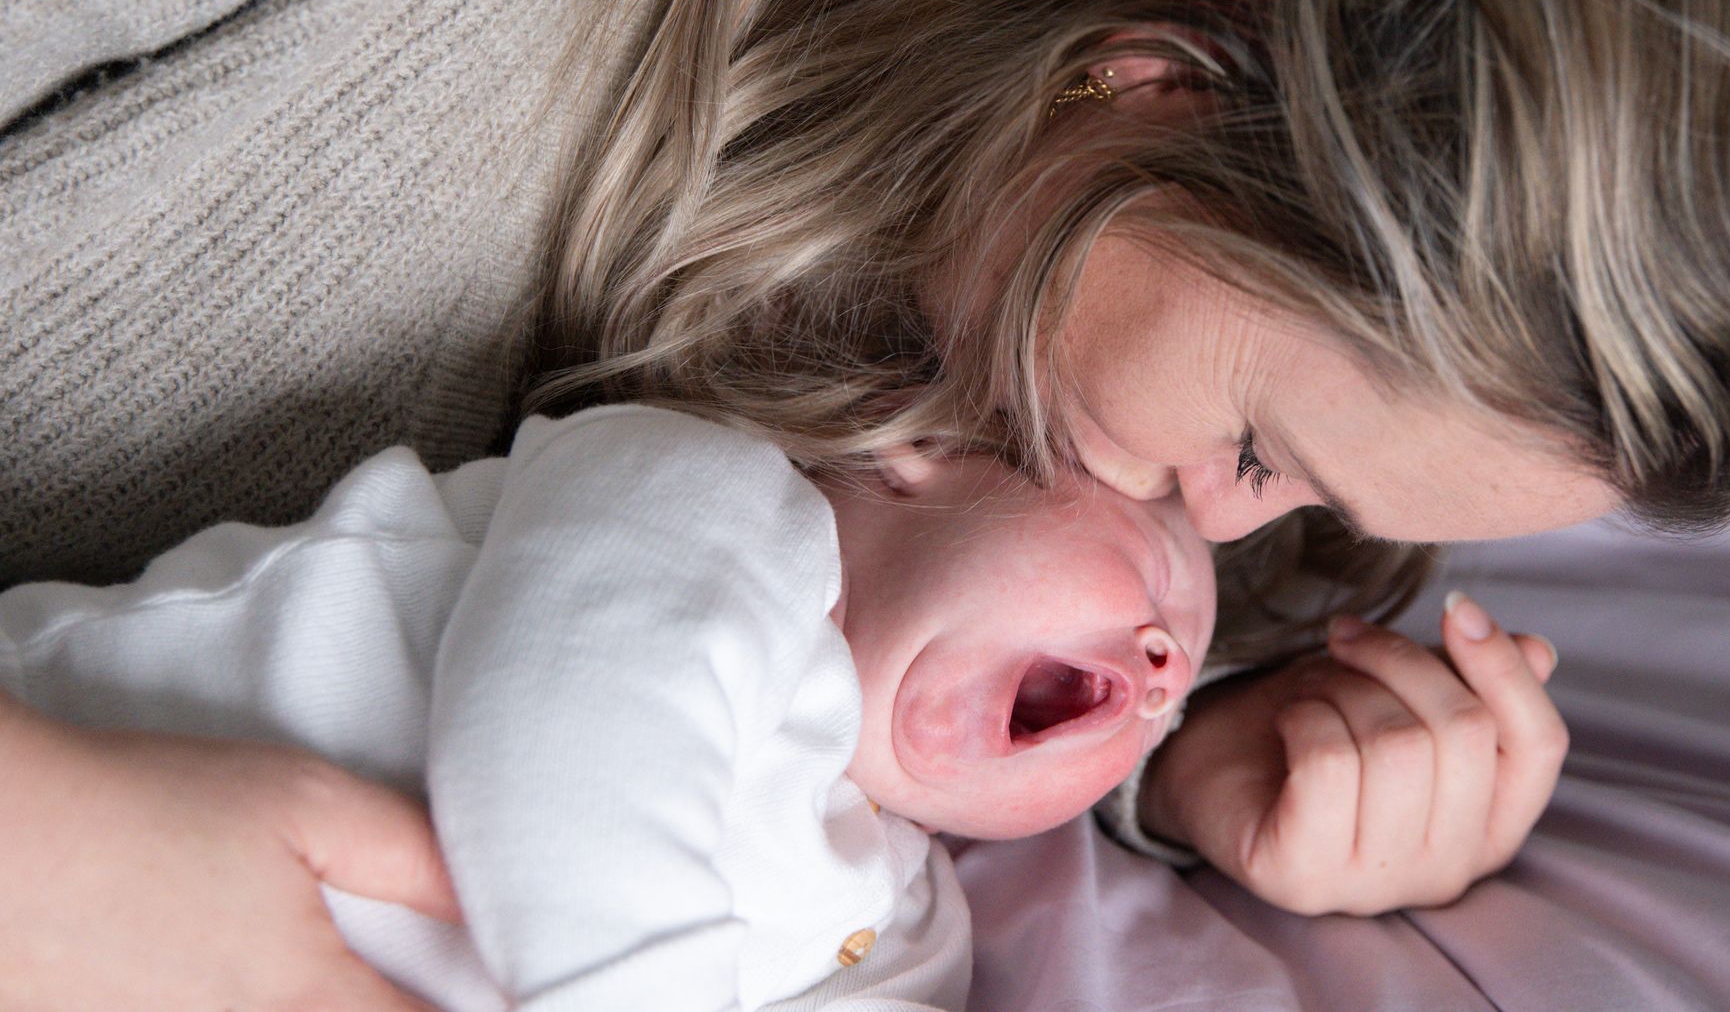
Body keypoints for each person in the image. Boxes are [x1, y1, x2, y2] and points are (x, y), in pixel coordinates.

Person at [3, 0, 1730, 1006]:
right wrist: (59, 860)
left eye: (1313, 506)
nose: (1231, 527)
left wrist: (1207, 775)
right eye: (1258, 443)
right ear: (1161, 76)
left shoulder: (1030, 349)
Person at [0, 402, 1559, 1009]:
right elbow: (573, 736)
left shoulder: (900, 909)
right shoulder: (704, 503)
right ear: (932, 441)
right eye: (1157, 561)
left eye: (1159, 706)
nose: (1159, 675)